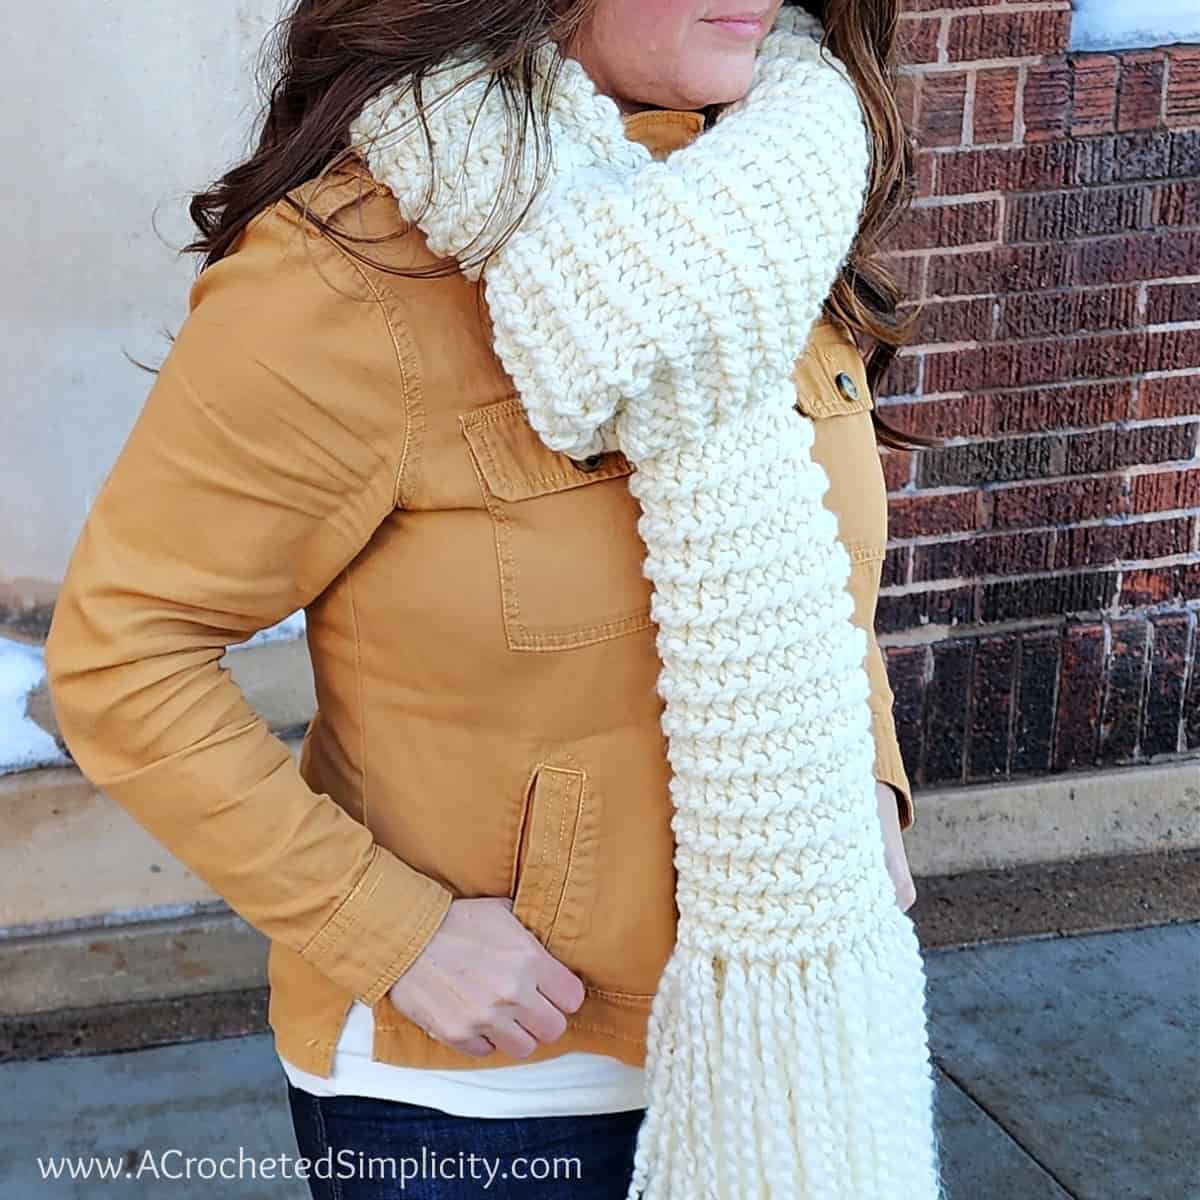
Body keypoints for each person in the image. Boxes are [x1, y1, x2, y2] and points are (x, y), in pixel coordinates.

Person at [46, 2, 944, 1197]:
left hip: (792, 1049)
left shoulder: (774, 189)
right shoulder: (352, 268)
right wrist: (392, 933)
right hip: (490, 1098)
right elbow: (125, 659)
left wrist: (865, 778)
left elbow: (817, 579)